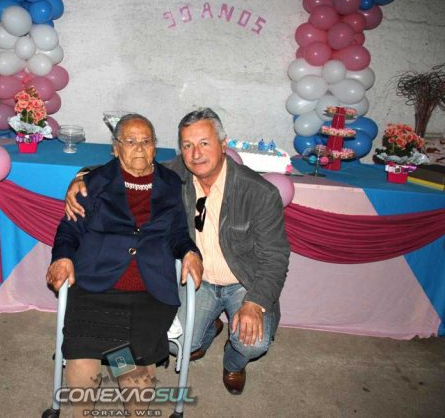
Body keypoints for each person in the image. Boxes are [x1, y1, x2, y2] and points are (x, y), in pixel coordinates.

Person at [64, 108, 290, 395]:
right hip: (198, 280)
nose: (196, 154)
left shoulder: (259, 192)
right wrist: (82, 176)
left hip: (243, 283)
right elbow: (130, 162)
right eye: (187, 145)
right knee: (178, 343)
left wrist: (255, 303)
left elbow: (275, 257)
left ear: (223, 144)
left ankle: (234, 363)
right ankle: (210, 328)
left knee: (251, 342)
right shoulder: (176, 174)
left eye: (204, 143)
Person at [46, 113, 203, 417]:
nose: (140, 148)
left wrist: (189, 251)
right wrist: (62, 257)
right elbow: (69, 229)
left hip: (149, 289)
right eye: (130, 142)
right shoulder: (93, 183)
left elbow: (177, 232)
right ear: (116, 148)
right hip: (96, 284)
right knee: (84, 355)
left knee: (133, 362)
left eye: (146, 141)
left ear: (155, 146)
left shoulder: (171, 183)